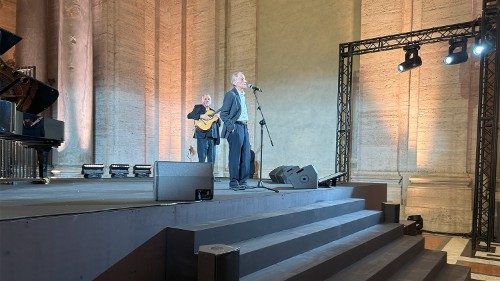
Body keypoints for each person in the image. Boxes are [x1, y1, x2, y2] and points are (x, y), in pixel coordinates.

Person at [220, 71, 251, 190]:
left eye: (245, 79)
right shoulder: (231, 95)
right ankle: (233, 182)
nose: (245, 81)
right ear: (234, 82)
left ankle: (243, 181)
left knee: (246, 155)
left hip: (244, 127)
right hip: (235, 127)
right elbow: (224, 114)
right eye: (242, 79)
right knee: (235, 156)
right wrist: (231, 127)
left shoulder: (242, 95)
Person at [187, 94, 221, 163]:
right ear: (202, 100)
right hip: (202, 137)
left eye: (208, 99)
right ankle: (202, 174)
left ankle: (210, 173)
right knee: (202, 159)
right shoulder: (198, 108)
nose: (207, 100)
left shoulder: (213, 111)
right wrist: (201, 116)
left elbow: (218, 125)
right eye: (205, 99)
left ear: (210, 101)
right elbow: (189, 115)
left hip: (212, 137)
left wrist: (218, 119)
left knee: (212, 160)